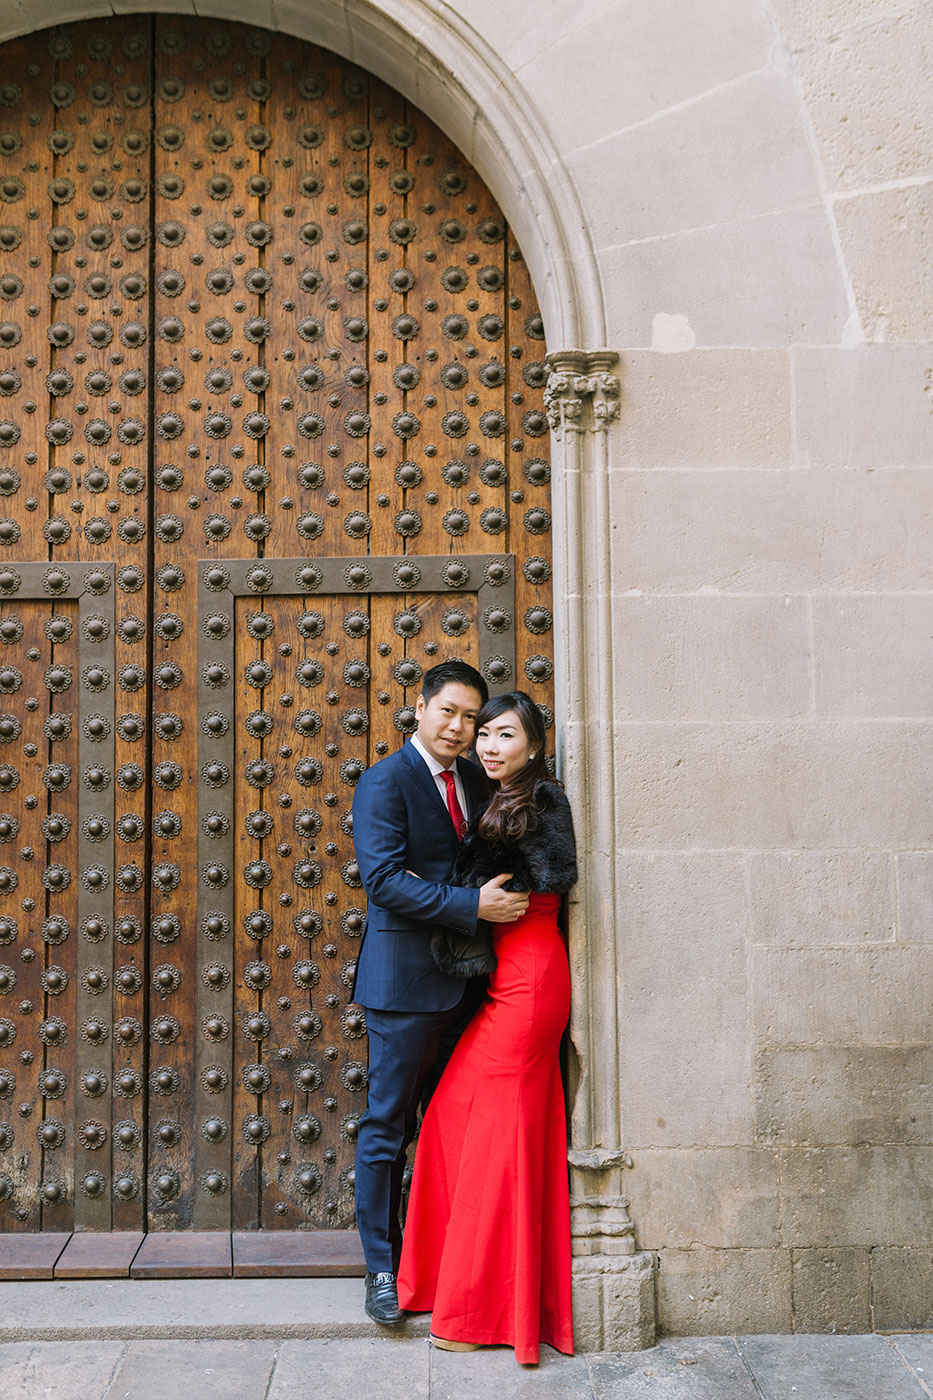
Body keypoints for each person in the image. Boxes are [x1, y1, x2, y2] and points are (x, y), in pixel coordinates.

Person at [397, 690, 578, 1366]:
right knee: (449, 1118)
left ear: (533, 744)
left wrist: (482, 893)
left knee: (499, 1145)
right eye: (485, 736)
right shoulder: (500, 795)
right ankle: (448, 1281)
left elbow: (550, 875)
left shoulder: (539, 800)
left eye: (506, 735)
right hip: (510, 977)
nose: (490, 746)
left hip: (529, 982)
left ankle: (480, 1310)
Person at [351, 660, 530, 1327]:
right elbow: (384, 882)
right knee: (386, 1126)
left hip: (468, 988)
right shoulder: (384, 782)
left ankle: (446, 1262)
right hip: (401, 988)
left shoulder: (480, 781)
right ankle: (380, 1269)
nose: (459, 728)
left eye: (470, 718)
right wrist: (470, 907)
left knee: (453, 1127)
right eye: (448, 712)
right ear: (419, 707)